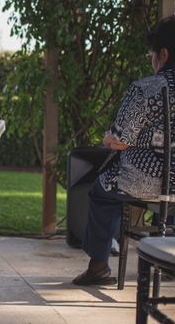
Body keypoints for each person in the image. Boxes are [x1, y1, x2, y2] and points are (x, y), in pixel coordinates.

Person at [73, 15, 175, 286]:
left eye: (152, 55)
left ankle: (98, 268)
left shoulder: (147, 88)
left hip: (146, 180)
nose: (151, 60)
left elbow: (120, 140)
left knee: (102, 189)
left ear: (163, 54)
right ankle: (168, 260)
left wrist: (109, 138)